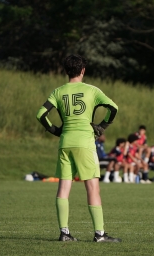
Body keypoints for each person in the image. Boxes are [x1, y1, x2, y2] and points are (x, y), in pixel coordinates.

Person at [36, 54, 121, 242]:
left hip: (65, 142)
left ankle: (64, 233)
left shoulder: (58, 92)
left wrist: (55, 130)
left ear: (66, 71)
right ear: (83, 70)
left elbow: (41, 114)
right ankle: (99, 235)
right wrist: (101, 127)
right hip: (84, 142)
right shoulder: (91, 90)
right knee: (92, 188)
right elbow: (113, 108)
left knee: (64, 188)